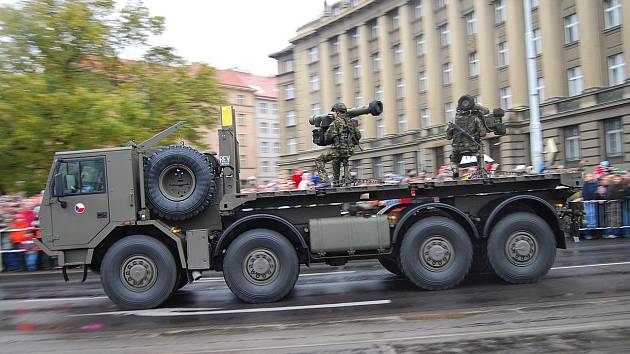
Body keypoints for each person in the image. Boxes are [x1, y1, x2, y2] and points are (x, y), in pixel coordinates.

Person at [314, 103, 361, 187]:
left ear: (338, 113)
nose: (334, 114)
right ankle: (336, 182)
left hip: (339, 150)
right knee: (336, 161)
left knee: (319, 160)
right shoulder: (351, 122)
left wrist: (323, 128)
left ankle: (325, 181)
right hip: (350, 150)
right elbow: (358, 136)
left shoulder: (336, 122)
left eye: (335, 112)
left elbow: (327, 137)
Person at [446, 95, 487, 178]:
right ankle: (483, 171)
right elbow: (483, 133)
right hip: (472, 147)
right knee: (481, 152)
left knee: (454, 160)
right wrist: (476, 135)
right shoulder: (475, 118)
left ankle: (455, 171)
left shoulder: (453, 120)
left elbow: (448, 137)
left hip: (457, 148)